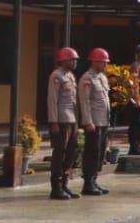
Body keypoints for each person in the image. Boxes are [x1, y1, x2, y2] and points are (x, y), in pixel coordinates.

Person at [78, 48, 113, 195]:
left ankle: (94, 180)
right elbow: (84, 101)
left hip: (103, 121)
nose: (105, 65)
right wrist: (87, 121)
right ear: (95, 61)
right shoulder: (87, 78)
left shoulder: (102, 78)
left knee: (100, 152)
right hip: (93, 122)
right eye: (103, 62)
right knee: (92, 152)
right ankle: (87, 183)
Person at [47, 47, 80, 200]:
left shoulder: (71, 76)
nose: (75, 62)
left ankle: (65, 184)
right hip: (61, 120)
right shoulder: (56, 76)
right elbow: (52, 100)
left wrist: (77, 121)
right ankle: (56, 187)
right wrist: (53, 121)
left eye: (75, 60)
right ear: (63, 60)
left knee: (70, 153)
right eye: (72, 59)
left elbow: (74, 102)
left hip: (71, 120)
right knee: (59, 153)